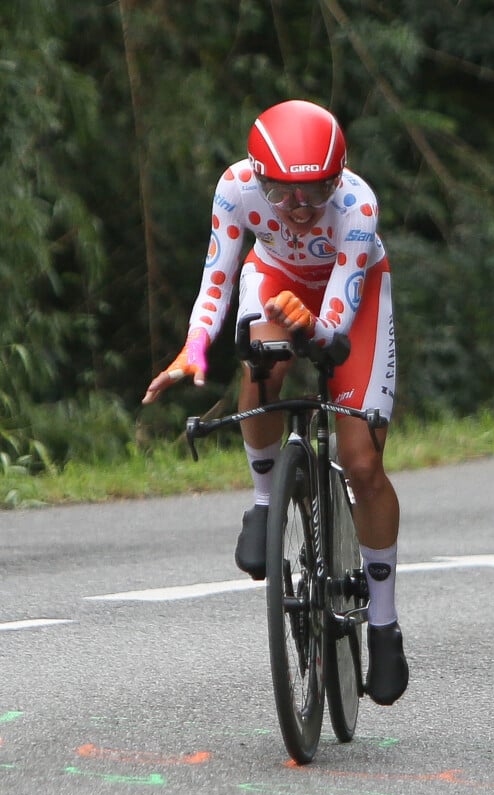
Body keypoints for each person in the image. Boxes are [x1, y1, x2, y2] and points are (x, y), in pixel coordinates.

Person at [142, 100, 408, 706]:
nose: (296, 209)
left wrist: (307, 325)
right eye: (281, 193)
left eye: (313, 191)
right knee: (261, 361)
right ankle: (264, 500)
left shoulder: (357, 205)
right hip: (277, 281)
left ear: (336, 180)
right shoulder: (235, 188)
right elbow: (218, 280)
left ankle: (385, 624)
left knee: (363, 462)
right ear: (257, 177)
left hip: (352, 299)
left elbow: (334, 330)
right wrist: (192, 351)